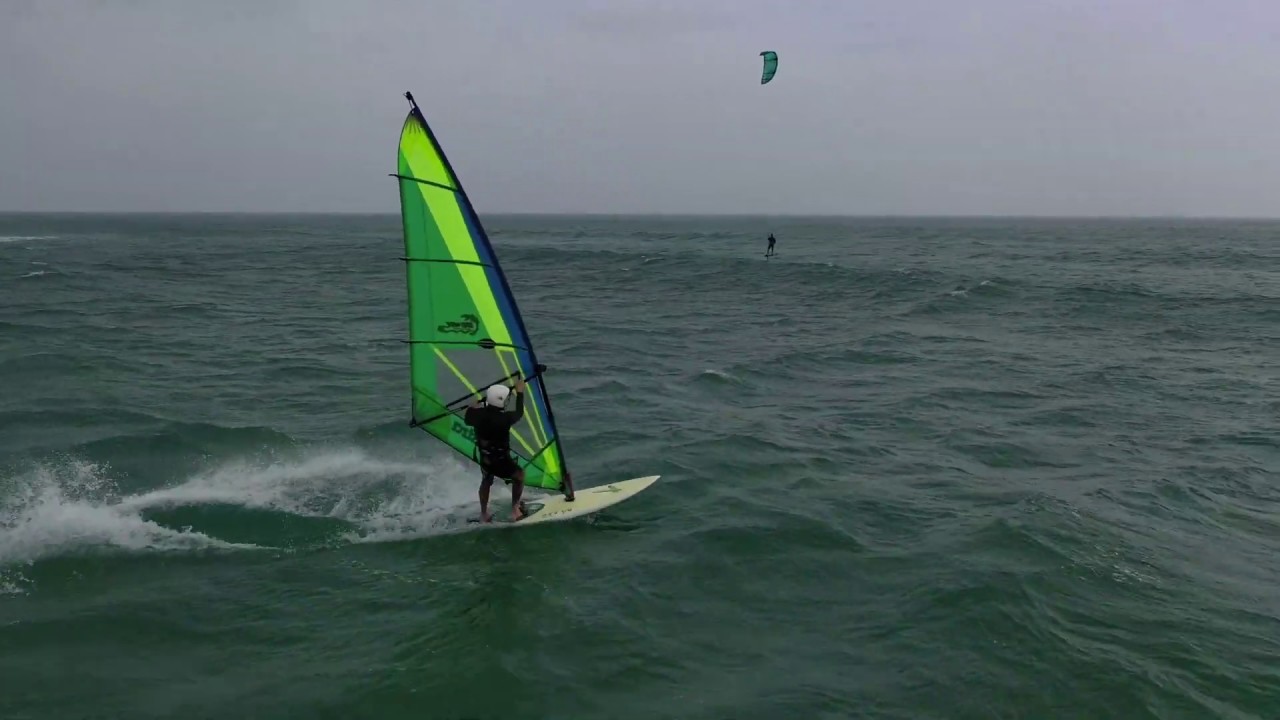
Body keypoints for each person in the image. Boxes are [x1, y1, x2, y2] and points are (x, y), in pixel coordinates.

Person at [465, 377, 527, 522]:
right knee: (519, 475)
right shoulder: (506, 418)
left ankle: (483, 514)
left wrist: (472, 406)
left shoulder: (476, 416)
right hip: (502, 463)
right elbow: (519, 412)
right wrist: (520, 393)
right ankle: (515, 510)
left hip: (486, 460)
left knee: (486, 481)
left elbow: (467, 417)